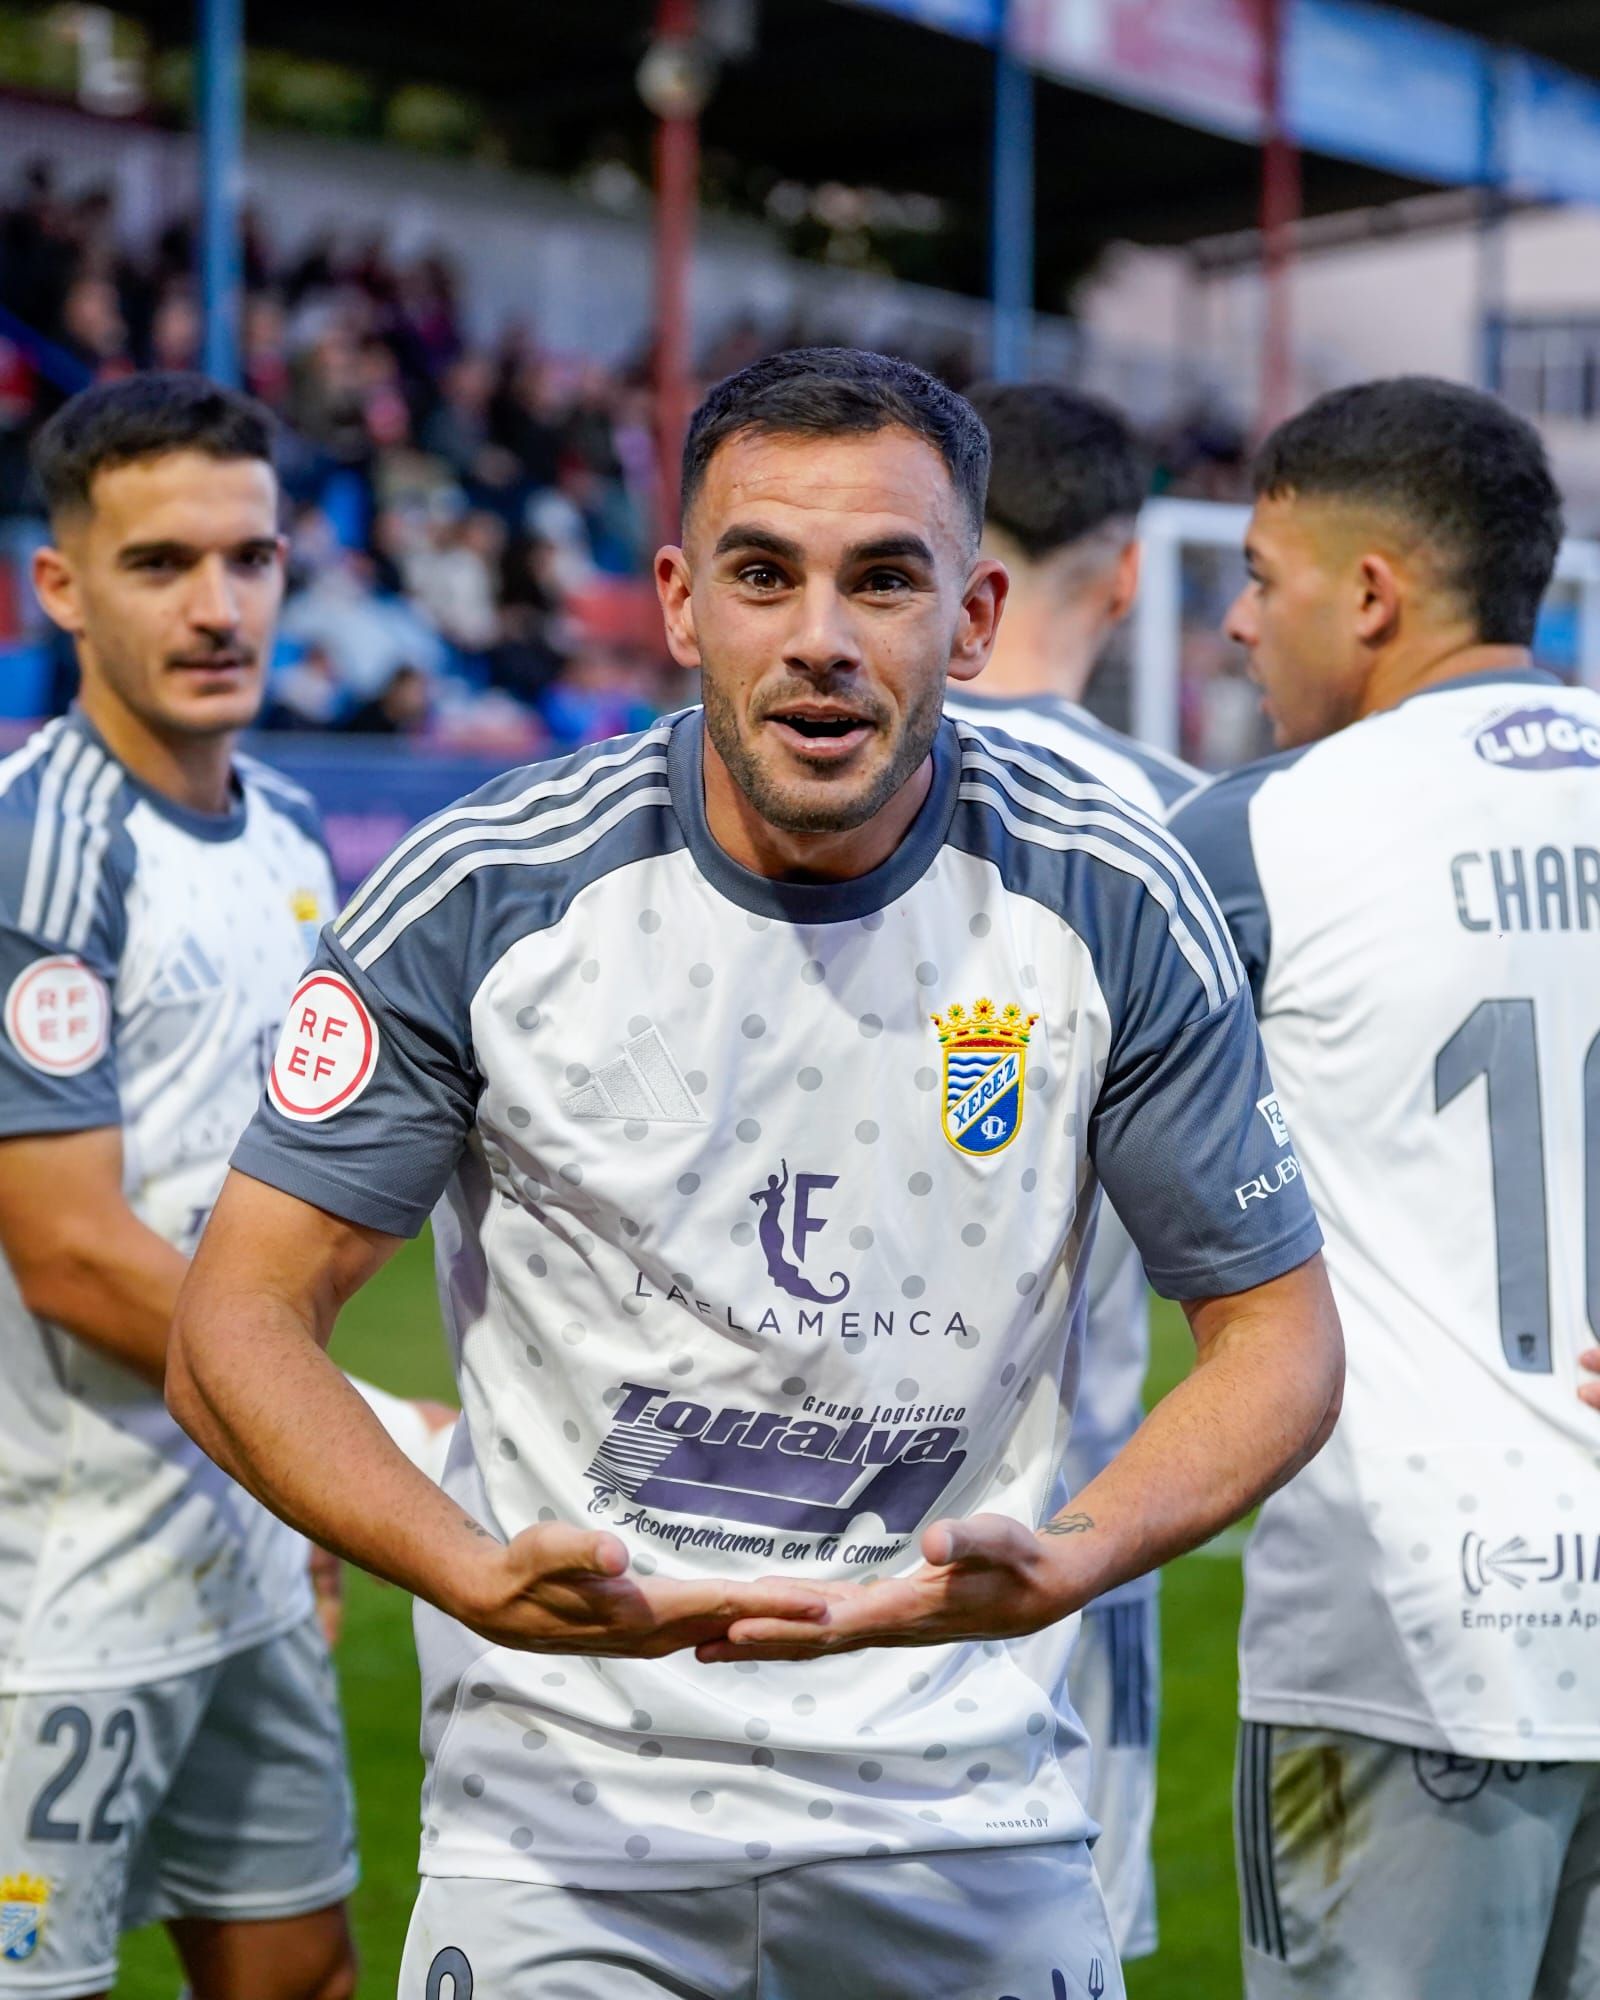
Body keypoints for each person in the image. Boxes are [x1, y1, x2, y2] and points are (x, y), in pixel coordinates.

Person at [166, 346, 1342, 2000]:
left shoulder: (1111, 899)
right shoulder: (484, 893)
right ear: (679, 601)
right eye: (764, 573)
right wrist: (460, 1565)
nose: (821, 636)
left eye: (886, 580)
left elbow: (1280, 1334)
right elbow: (238, 1316)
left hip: (965, 1811)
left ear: (975, 618)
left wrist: (1073, 1555)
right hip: (565, 1825)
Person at [0, 372, 440, 2000]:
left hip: (238, 1535)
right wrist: (363, 1435)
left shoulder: (296, 838)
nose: (217, 606)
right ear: (63, 587)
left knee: (300, 1975)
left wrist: (293, 1483)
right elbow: (67, 1254)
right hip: (53, 1584)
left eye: (249, 559)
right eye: (160, 563)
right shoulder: (39, 849)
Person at [1169, 376, 1600, 1999]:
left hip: (1412, 1638)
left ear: (1369, 594)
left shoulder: (1262, 835)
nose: (1235, 624)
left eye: (1260, 579)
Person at [946, 381, 1198, 1963]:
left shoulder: (791, 788)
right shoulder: (1185, 826)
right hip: (1066, 1545)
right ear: (1128, 572)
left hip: (755, 1538)